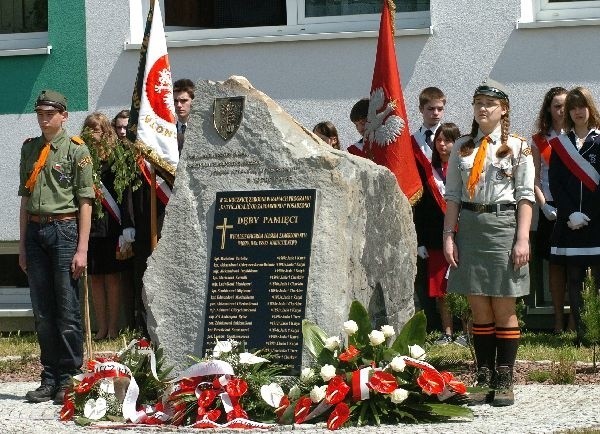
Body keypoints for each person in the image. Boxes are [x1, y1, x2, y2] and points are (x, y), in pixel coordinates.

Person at [443, 79, 535, 407]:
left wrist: (522, 238)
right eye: (478, 102)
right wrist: (448, 236)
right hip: (469, 225)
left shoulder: (517, 147)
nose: (483, 108)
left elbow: (525, 196)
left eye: (490, 103)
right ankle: (483, 376)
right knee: (479, 306)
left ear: (503, 109)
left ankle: (505, 377)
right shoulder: (463, 146)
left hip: (502, 226)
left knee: (503, 304)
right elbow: (452, 194)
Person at [19, 89, 94, 404]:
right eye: (40, 113)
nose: (44, 118)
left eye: (50, 113)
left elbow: (86, 201)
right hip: (36, 231)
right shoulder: (30, 149)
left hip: (64, 230)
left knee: (67, 310)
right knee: (43, 312)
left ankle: (68, 377)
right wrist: (21, 245)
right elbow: (25, 199)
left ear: (64, 116)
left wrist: (82, 249)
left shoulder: (76, 150)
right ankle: (49, 377)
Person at [548, 86, 600, 344]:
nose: (578, 111)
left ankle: (597, 332)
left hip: (597, 222)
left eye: (582, 106)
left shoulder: (599, 141)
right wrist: (570, 214)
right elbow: (556, 183)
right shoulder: (561, 144)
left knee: (598, 280)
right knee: (574, 279)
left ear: (591, 109)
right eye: (574, 107)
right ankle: (582, 334)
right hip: (570, 222)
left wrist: (590, 213)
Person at [414, 123, 463, 345]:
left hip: (463, 237)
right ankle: (447, 332)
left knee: (463, 287)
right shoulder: (428, 173)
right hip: (436, 239)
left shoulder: (466, 169)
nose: (442, 145)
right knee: (442, 290)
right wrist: (420, 241)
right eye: (439, 141)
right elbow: (422, 211)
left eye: (447, 140)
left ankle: (467, 332)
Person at [83, 112, 128, 340]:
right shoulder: (81, 157)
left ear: (106, 132)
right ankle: (101, 327)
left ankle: (113, 327)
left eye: (97, 129)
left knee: (112, 277)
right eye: (89, 129)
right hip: (90, 225)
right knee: (96, 278)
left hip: (111, 225)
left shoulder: (115, 157)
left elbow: (122, 193)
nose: (93, 134)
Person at [531, 87, 572, 334]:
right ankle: (558, 319)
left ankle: (575, 319)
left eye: (565, 105)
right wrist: (543, 205)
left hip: (577, 208)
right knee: (555, 265)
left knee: (577, 265)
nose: (561, 110)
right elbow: (534, 178)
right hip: (551, 207)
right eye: (556, 105)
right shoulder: (540, 140)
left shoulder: (580, 135)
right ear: (549, 108)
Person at [411, 87, 447, 333]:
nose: (435, 113)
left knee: (447, 277)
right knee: (425, 277)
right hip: (423, 217)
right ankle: (431, 326)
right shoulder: (411, 142)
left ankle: (452, 327)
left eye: (440, 109)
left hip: (447, 215)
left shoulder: (451, 138)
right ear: (421, 110)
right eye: (430, 109)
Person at [173, 78, 195, 154]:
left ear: (193, 101)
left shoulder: (202, 131)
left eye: (184, 101)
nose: (178, 105)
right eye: (175, 101)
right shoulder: (168, 131)